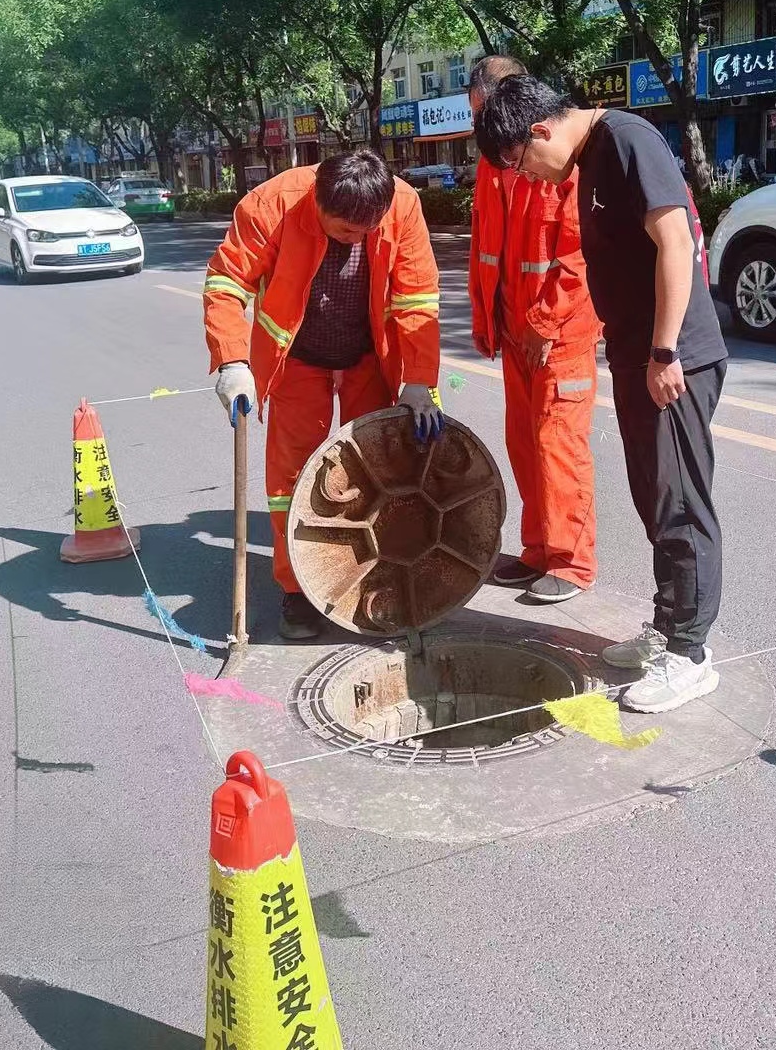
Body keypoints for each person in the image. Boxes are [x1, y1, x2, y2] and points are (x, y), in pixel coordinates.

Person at [474, 76, 728, 713]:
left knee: (680, 504)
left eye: (522, 162)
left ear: (541, 130)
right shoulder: (592, 156)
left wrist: (664, 351)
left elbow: (676, 241)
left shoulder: (626, 140)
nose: (528, 177)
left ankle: (690, 654)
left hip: (674, 359)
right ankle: (667, 628)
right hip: (639, 357)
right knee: (653, 496)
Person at [203, 151, 443, 639]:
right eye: (345, 230)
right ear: (317, 202)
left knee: (374, 472)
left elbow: (417, 296)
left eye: (367, 231)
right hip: (298, 358)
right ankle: (298, 588)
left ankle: (370, 574)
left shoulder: (402, 204)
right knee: (291, 480)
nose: (357, 238)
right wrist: (232, 360)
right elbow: (227, 284)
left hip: (368, 357)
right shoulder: (272, 204)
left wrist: (419, 380)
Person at [467, 55, 601, 604]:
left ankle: (571, 561)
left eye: (486, 113)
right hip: (515, 331)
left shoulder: (561, 160)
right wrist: (486, 317)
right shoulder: (494, 164)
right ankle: (538, 549)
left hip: (559, 335)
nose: (482, 127)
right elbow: (485, 247)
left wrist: (543, 323)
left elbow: (579, 256)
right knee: (524, 444)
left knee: (557, 442)